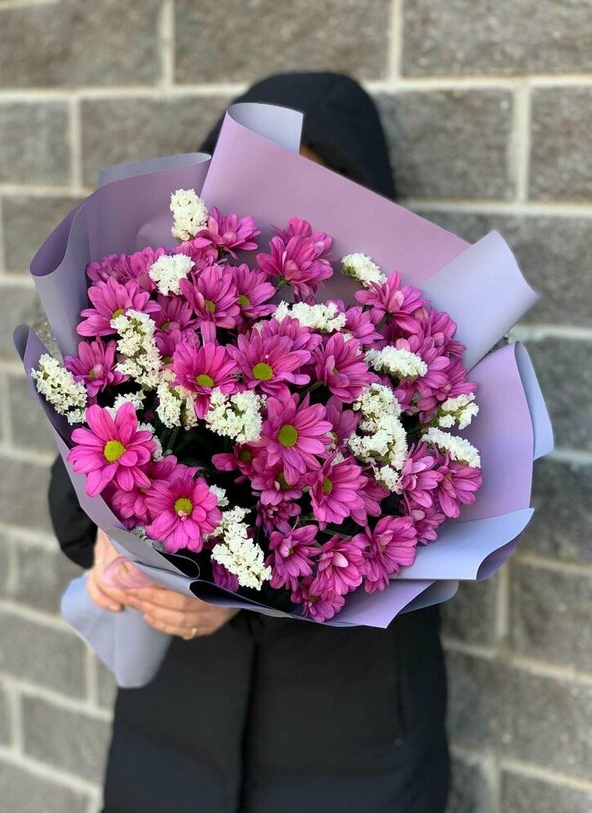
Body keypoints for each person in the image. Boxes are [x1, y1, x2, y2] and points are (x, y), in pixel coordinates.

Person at [49, 72, 450, 813]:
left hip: (350, 747)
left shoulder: (417, 369)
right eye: (265, 187)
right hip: (173, 738)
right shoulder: (158, 326)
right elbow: (75, 510)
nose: (289, 226)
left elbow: (420, 548)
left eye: (319, 196)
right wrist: (118, 551)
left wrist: (244, 593)